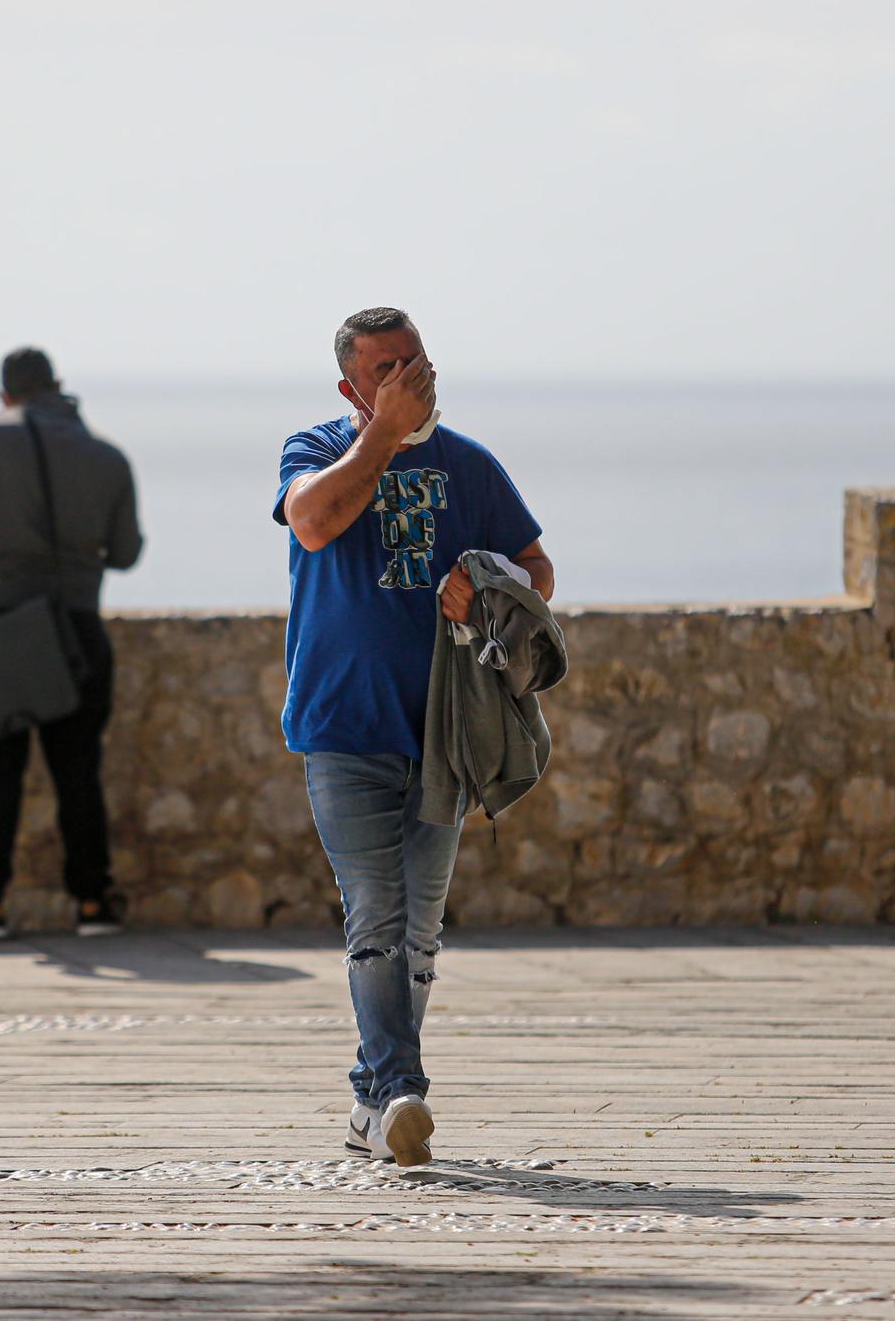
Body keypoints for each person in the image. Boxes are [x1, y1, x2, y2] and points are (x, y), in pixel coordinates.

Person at [273, 307, 554, 1166]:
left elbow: (536, 566)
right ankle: (402, 1089)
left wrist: (487, 576)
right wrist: (384, 438)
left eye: (418, 362)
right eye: (389, 368)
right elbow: (314, 521)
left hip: (441, 734)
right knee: (377, 919)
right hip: (341, 727)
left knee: (419, 936)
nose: (412, 379)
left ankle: (371, 1104)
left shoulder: (469, 465)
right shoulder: (316, 448)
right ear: (351, 386)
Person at [0, 346, 143, 940]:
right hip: (81, 630)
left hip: (8, 624)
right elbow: (125, 554)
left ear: (6, 395)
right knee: (78, 772)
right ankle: (94, 905)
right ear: (59, 387)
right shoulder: (109, 456)